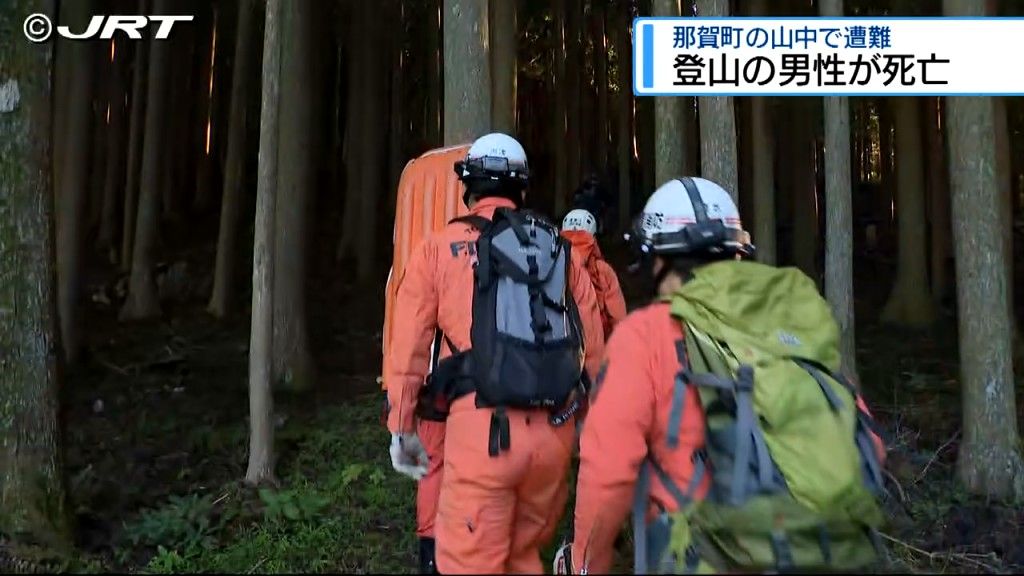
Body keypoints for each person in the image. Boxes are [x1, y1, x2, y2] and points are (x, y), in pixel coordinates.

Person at [560, 177, 888, 574]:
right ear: (737, 252)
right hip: (816, 552)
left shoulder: (646, 336)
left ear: (657, 258)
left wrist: (585, 563)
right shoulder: (788, 325)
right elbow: (867, 440)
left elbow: (607, 473)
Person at [384, 133, 605, 575]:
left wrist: (402, 425)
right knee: (522, 559)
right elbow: (593, 350)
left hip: (484, 432)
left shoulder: (437, 249)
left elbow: (408, 347)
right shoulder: (559, 250)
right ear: (521, 189)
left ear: (468, 187)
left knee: (470, 563)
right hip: (553, 434)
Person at [560, 208, 627, 341]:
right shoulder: (603, 270)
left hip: (560, 347)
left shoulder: (552, 265)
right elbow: (618, 317)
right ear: (594, 238)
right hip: (596, 345)